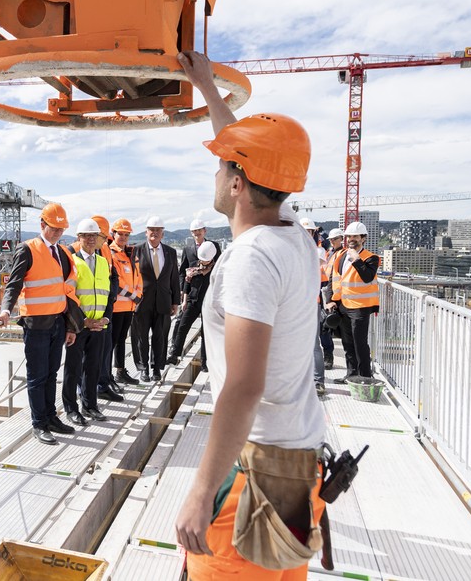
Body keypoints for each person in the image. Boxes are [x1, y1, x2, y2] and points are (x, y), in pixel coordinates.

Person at [175, 50, 327, 581]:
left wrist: (199, 492)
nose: (215, 174)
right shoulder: (293, 233)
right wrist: (208, 90)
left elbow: (243, 386)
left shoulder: (251, 259)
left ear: (238, 184)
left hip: (252, 473)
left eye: (222, 167)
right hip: (297, 467)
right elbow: (250, 155)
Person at [0, 203, 84, 445]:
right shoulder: (28, 250)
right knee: (37, 376)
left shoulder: (64, 253)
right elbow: (14, 284)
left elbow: (66, 292)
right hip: (36, 325)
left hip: (57, 323)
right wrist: (5, 310)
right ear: (42, 224)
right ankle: (39, 423)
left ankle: (50, 418)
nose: (57, 233)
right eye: (53, 228)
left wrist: (70, 326)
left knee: (51, 373)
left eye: (61, 229)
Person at [62, 219, 113, 426]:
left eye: (94, 236)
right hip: (78, 326)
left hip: (100, 325)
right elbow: (69, 295)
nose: (91, 239)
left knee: (93, 367)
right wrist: (83, 321)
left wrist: (106, 318)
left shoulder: (102, 262)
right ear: (79, 238)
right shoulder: (72, 262)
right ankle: (71, 410)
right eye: (86, 235)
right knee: (73, 369)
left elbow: (109, 294)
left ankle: (90, 405)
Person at [326, 221, 380, 382]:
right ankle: (351, 375)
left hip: (360, 308)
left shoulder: (371, 258)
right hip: (343, 306)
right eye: (349, 236)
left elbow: (367, 277)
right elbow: (333, 279)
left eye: (355, 236)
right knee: (347, 343)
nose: (351, 239)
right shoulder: (341, 256)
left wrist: (357, 260)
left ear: (363, 238)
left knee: (360, 343)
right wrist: (330, 300)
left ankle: (364, 377)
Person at [131, 216, 180, 382]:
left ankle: (157, 368)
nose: (155, 233)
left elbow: (174, 278)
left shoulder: (170, 252)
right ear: (146, 232)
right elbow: (130, 277)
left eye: (158, 230)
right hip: (142, 302)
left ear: (163, 234)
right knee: (141, 338)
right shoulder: (136, 251)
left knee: (160, 337)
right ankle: (144, 368)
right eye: (152, 230)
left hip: (163, 302)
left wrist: (175, 302)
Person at [168, 240, 219, 372]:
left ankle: (204, 362)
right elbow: (187, 282)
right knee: (182, 327)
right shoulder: (193, 266)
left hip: (209, 304)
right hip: (193, 300)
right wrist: (184, 300)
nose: (203, 263)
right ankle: (174, 355)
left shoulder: (217, 269)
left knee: (205, 333)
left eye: (206, 261)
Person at [89, 214, 124, 401]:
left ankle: (104, 382)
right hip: (92, 312)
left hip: (106, 309)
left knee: (105, 348)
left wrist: (110, 298)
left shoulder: (105, 250)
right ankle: (95, 388)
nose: (103, 240)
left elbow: (113, 275)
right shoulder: (83, 252)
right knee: (94, 354)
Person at [108, 218, 143, 387]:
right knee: (112, 342)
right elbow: (115, 281)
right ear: (112, 234)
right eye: (120, 234)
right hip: (116, 307)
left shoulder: (130, 254)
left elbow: (138, 277)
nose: (123, 237)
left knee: (122, 340)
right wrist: (132, 294)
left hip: (129, 306)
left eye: (126, 234)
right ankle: (107, 376)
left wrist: (138, 294)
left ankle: (120, 372)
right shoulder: (111, 253)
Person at [300, 218, 328, 394]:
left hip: (311, 303)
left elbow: (312, 267)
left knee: (314, 344)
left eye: (308, 231)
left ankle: (318, 381)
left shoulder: (318, 251)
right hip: (295, 304)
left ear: (313, 233)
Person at [320, 228, 345, 369]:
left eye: (335, 239)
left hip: (334, 297)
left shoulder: (342, 254)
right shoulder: (329, 254)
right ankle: (327, 357)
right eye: (331, 239)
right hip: (326, 294)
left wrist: (333, 300)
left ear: (341, 238)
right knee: (325, 327)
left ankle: (328, 357)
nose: (332, 241)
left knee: (328, 328)